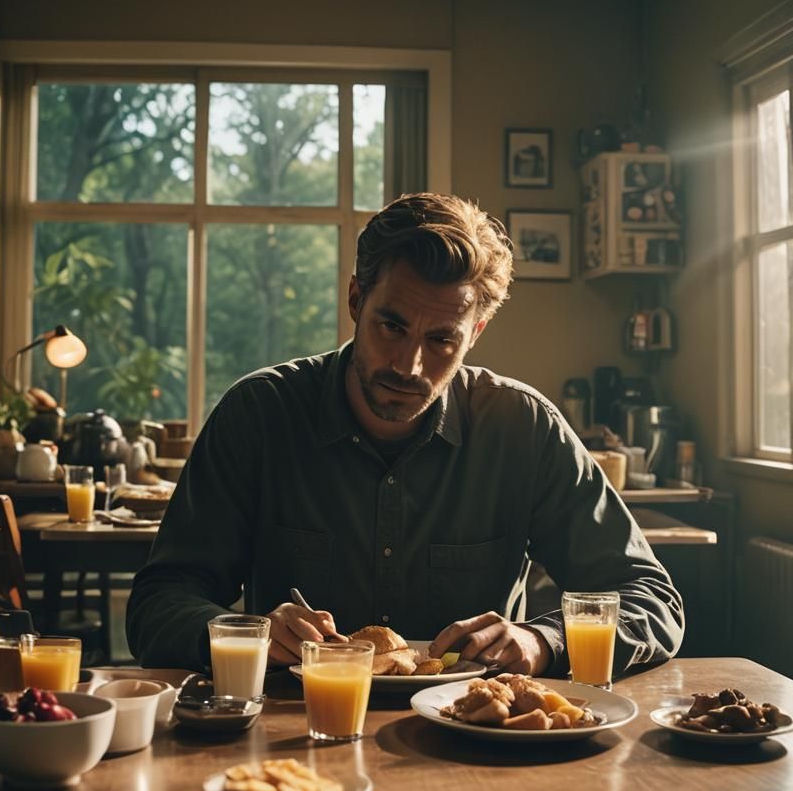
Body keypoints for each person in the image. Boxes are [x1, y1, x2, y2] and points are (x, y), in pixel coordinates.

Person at [126, 193, 683, 676]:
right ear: (355, 300)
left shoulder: (524, 428)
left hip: (472, 734)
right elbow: (159, 603)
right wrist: (248, 636)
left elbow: (652, 600)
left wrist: (545, 640)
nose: (409, 366)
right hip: (292, 730)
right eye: (391, 326)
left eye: (442, 340)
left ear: (475, 332)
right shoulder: (258, 414)